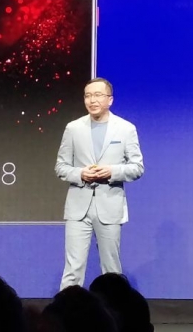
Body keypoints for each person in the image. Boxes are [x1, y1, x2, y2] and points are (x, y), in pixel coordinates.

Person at [55, 77, 144, 289]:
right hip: (78, 207)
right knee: (73, 268)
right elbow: (61, 167)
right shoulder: (73, 128)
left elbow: (137, 167)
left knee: (111, 269)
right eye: (88, 96)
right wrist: (81, 174)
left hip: (109, 205)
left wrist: (112, 171)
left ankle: (114, 308)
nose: (92, 100)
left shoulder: (125, 129)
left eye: (97, 95)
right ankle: (67, 309)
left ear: (110, 100)